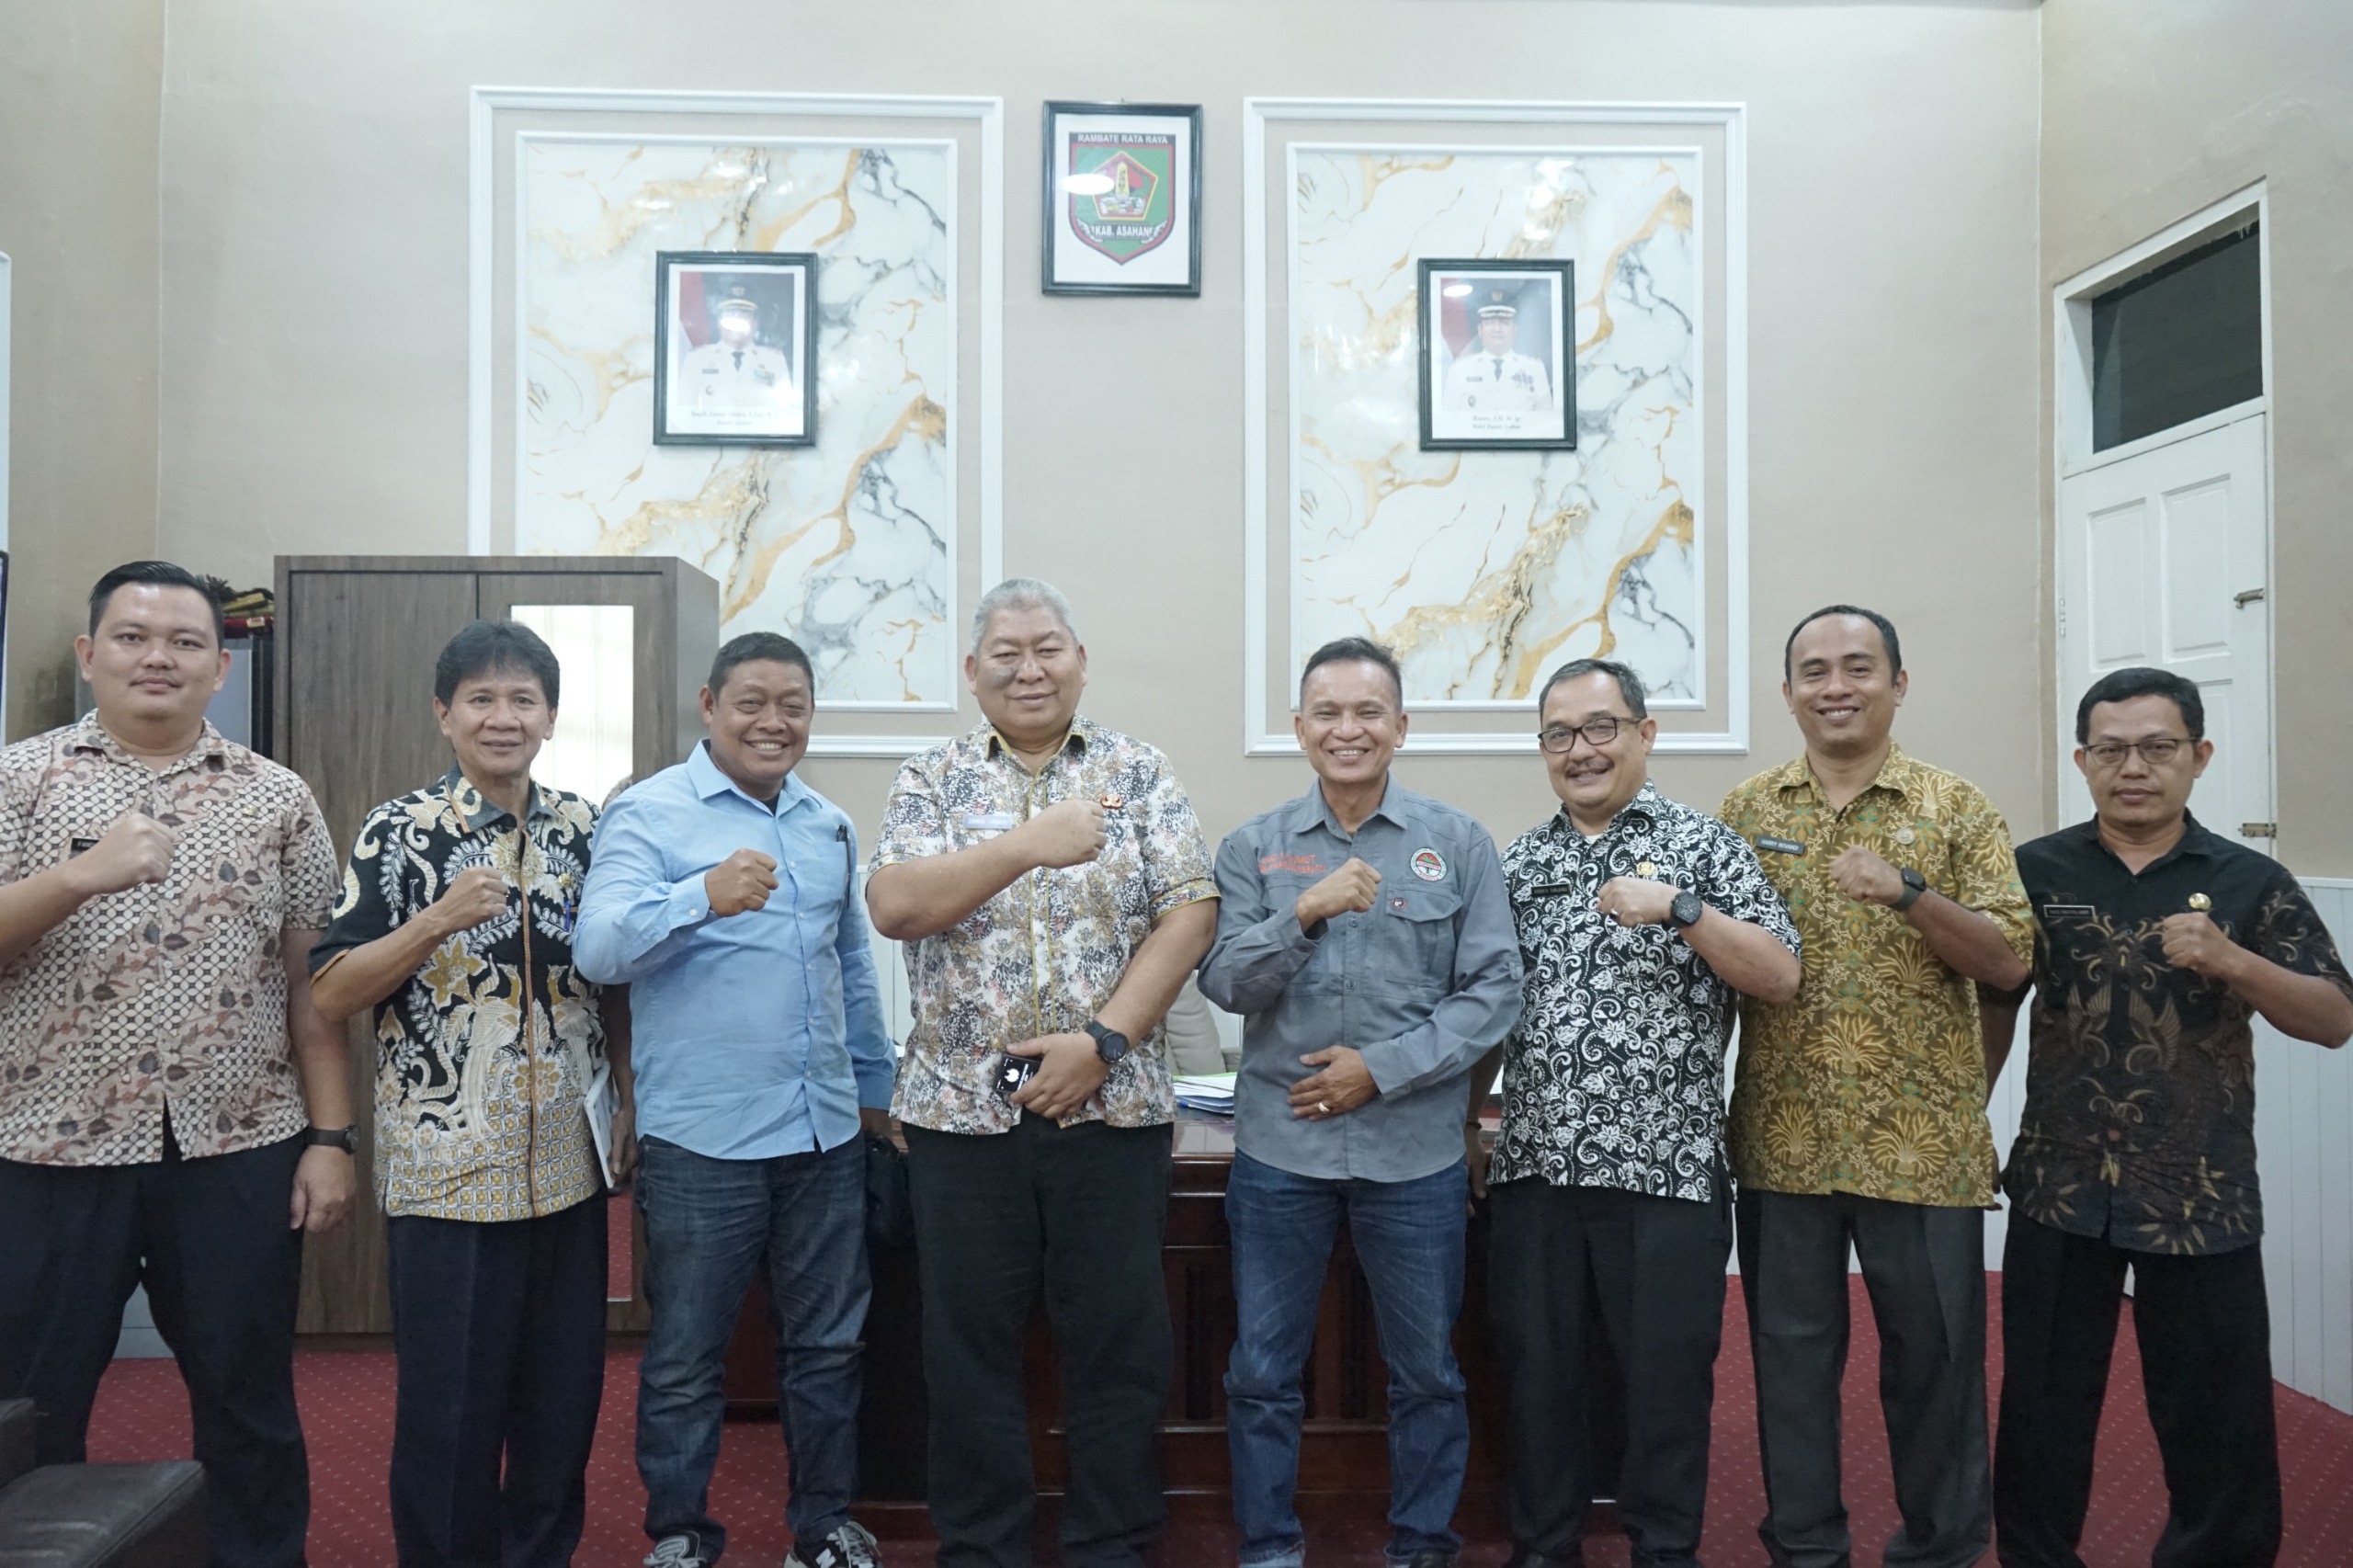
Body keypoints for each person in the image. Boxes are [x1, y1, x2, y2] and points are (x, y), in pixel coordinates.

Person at [0, 561, 354, 1568]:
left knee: (249, 1398)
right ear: (90, 654)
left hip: (238, 1144)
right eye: (133, 636)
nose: (158, 657)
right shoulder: (17, 779)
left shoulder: (277, 796)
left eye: (185, 641)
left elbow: (310, 984)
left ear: (219, 666)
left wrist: (331, 1137)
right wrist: (79, 874)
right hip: (47, 1146)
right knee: (30, 1404)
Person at [865, 578, 1219, 1568]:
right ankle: (982, 1545)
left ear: (1081, 660)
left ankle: (1110, 1540)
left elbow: (1190, 912)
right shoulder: (931, 777)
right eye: (1007, 652)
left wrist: (1102, 1042)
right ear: (972, 671)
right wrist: (1031, 842)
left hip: (1113, 1111)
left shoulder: (1138, 769)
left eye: (1048, 647)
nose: (1030, 668)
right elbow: (895, 904)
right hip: (958, 1121)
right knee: (966, 1348)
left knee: (1118, 1342)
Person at [1984, 667, 2353, 1568]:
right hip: (2058, 1185)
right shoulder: (2035, 870)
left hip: (2198, 1191)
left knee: (2217, 1418)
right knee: (2039, 1411)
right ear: (2082, 761)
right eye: (2110, 749)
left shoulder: (2249, 880)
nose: (2133, 767)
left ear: (2199, 755)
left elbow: (2334, 1017)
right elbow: (1992, 998)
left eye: (2157, 747)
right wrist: (1967, 1122)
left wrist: (2234, 960)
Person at [308, 619, 632, 1568]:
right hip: (448, 1171)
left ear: (551, 716)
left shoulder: (586, 830)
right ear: (443, 714)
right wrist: (435, 921)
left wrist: (630, 1094)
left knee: (561, 1404)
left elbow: (615, 980)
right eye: (481, 699)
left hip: (568, 1169)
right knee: (450, 1410)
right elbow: (330, 991)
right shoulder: (399, 830)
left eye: (523, 699)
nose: (503, 717)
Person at [1717, 605, 2033, 1568]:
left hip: (1922, 1144)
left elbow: (2009, 961)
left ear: (1899, 683)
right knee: (1789, 1369)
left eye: (1858, 666)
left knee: (1936, 1370)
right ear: (1787, 693)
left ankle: (1941, 1547)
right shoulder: (1746, 811)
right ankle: (1805, 1546)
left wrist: (1908, 892)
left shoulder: (1956, 807)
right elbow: (1716, 966)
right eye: (1813, 670)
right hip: (1783, 1138)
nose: (1836, 685)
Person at [1466, 657, 1800, 1568]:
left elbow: (1779, 974)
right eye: (1559, 734)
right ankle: (1544, 1545)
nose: (1580, 749)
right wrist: (1466, 1122)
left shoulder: (1703, 845)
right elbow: (1491, 1007)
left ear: (1645, 734)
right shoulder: (1520, 862)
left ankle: (1663, 1548)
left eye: (1600, 727)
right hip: (1536, 1168)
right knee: (1537, 1379)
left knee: (1665, 1386)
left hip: (1668, 1175)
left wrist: (1682, 909)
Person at [1198, 636, 1523, 1568]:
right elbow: (1224, 981)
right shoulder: (1253, 847)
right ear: (1300, 729)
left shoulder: (1456, 843)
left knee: (1426, 1373)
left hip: (1413, 1155)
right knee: (1262, 1370)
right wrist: (1302, 913)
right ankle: (1269, 1545)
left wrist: (1379, 1069)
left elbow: (1495, 990)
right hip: (1281, 1152)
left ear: (1400, 726)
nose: (1349, 729)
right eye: (1328, 713)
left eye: (1368, 711)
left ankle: (1421, 1544)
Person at [574, 631, 894, 1568]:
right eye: (751, 702)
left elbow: (850, 966)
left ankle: (823, 1527)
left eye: (792, 704)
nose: (772, 722)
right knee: (685, 1356)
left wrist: (873, 1088)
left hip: (823, 1133)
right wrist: (699, 896)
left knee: (829, 1346)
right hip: (700, 1139)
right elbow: (598, 950)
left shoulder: (828, 824)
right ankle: (681, 1533)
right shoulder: (647, 814)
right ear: (710, 706)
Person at [679, 290, 798, 419]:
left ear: (755, 323)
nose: (736, 321)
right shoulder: (697, 359)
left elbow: (785, 414)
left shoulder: (774, 360)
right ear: (719, 322)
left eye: (744, 315)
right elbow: (684, 412)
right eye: (730, 315)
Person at [1441, 290, 1552, 413]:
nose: (1498, 329)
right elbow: (1448, 419)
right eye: (1490, 322)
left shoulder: (1535, 370)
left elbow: (1546, 420)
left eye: (1505, 323)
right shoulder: (1459, 370)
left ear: (1515, 330)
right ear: (1480, 330)